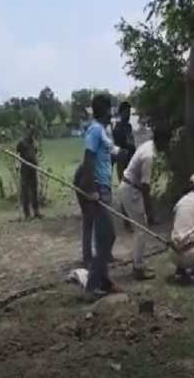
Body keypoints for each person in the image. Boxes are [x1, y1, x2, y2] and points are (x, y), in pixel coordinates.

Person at [79, 94, 119, 300]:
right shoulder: (95, 130)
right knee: (108, 236)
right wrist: (91, 189)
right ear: (103, 109)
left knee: (104, 236)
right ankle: (92, 286)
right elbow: (88, 160)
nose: (112, 112)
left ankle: (103, 281)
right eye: (110, 108)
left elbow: (104, 155)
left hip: (105, 187)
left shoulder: (102, 130)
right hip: (98, 190)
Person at [117, 130, 170, 280]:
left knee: (140, 229)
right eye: (167, 144)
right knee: (141, 230)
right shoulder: (150, 157)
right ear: (161, 142)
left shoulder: (148, 145)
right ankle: (138, 268)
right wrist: (150, 211)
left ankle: (138, 263)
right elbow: (146, 189)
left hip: (130, 187)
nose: (167, 147)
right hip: (131, 190)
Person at [16, 127, 43, 220]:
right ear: (26, 132)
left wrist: (36, 163)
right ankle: (27, 213)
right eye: (30, 132)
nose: (31, 135)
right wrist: (17, 164)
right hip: (25, 169)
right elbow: (17, 155)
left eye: (33, 133)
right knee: (25, 192)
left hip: (33, 169)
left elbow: (35, 153)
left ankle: (36, 211)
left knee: (34, 190)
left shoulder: (34, 142)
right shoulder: (21, 143)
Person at [112, 101, 135, 181]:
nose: (128, 115)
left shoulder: (129, 126)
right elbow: (117, 148)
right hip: (123, 161)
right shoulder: (117, 128)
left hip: (131, 159)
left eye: (129, 112)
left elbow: (131, 141)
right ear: (121, 113)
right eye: (126, 112)